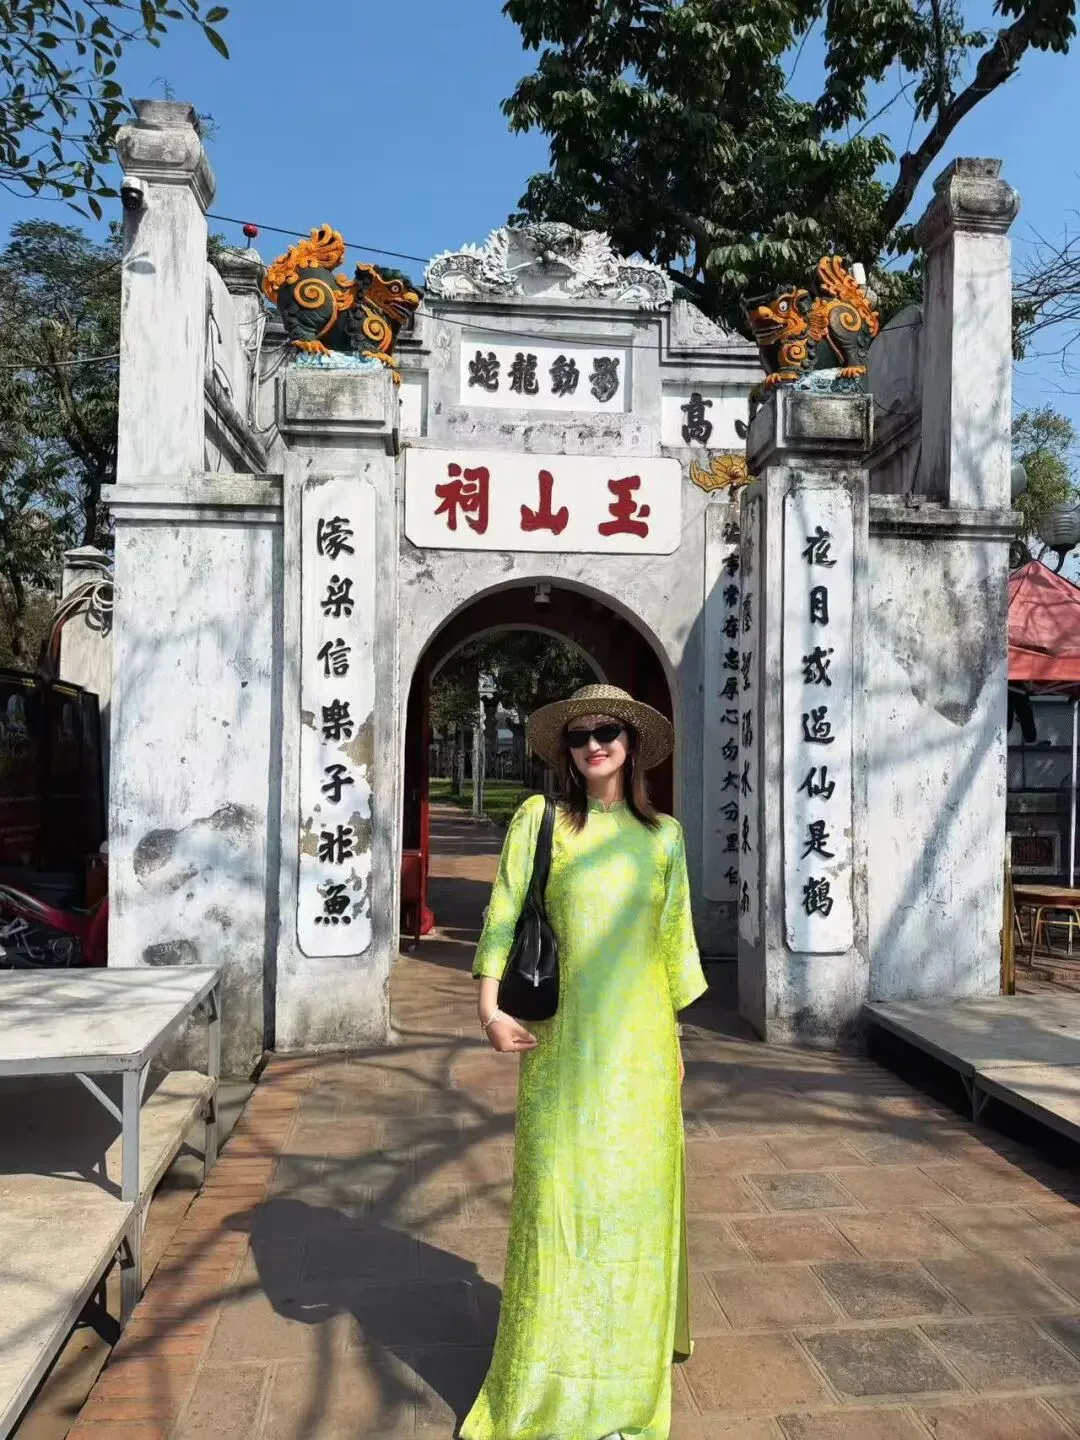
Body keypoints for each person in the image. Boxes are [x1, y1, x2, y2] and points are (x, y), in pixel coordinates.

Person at [460, 684, 708, 1440]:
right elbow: (504, 912)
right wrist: (490, 1010)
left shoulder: (663, 837)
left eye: (607, 732)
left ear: (631, 744)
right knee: (557, 1208)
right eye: (579, 735)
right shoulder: (542, 820)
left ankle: (626, 1393)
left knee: (632, 1213)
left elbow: (672, 947)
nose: (594, 744)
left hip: (641, 1055)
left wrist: (673, 1044)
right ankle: (547, 1390)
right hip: (562, 1048)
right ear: (565, 751)